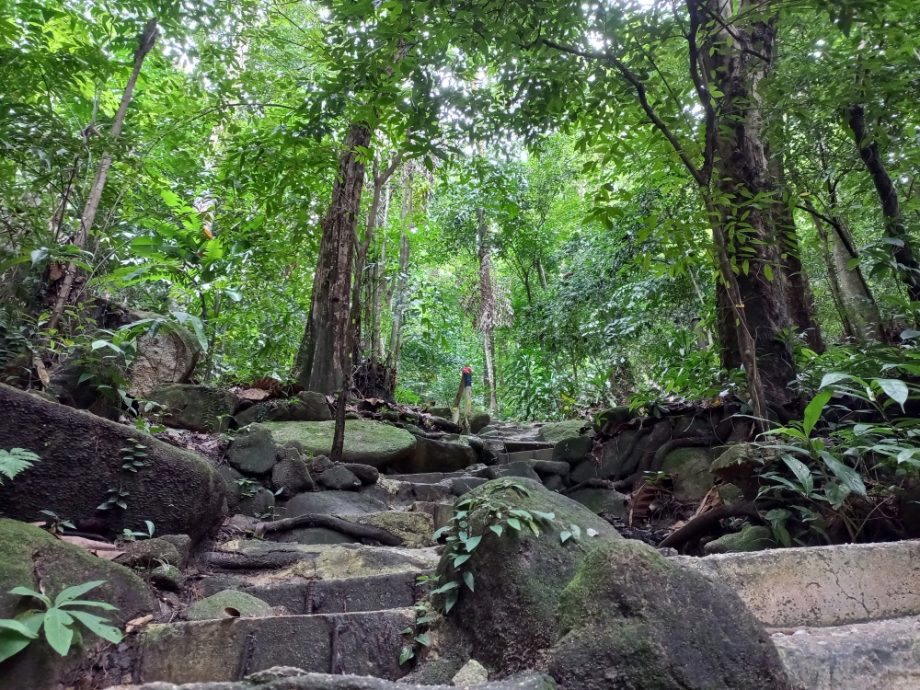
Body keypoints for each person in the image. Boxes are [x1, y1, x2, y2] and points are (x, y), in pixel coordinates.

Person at [452, 365, 474, 429]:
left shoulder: (467, 371)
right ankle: (464, 417)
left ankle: (466, 416)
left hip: (467, 387)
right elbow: (467, 371)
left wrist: (464, 370)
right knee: (467, 401)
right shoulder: (467, 372)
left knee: (467, 401)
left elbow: (466, 371)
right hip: (466, 387)